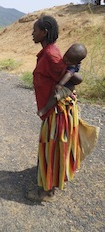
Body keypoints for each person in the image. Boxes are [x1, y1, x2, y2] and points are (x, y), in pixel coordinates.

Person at [25, 15, 82, 202]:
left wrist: (72, 72)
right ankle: (49, 181)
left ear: (44, 32)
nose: (32, 33)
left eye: (35, 30)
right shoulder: (48, 52)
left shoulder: (51, 54)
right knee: (52, 148)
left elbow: (72, 79)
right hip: (54, 109)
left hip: (57, 111)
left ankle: (46, 192)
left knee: (51, 149)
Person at [37, 43, 87, 117]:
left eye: (69, 60)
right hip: (63, 85)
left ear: (77, 62)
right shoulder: (68, 61)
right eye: (66, 56)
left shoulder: (73, 67)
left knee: (55, 95)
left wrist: (60, 84)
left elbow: (68, 74)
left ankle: (45, 109)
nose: (65, 60)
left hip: (67, 87)